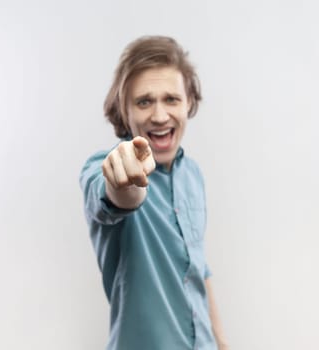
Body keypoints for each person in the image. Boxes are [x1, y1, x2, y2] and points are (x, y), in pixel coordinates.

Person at [80, 35, 228, 350]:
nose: (160, 116)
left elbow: (199, 267)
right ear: (125, 110)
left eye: (171, 99)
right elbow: (118, 195)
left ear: (189, 102)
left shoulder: (193, 175)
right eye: (144, 101)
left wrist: (223, 342)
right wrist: (125, 180)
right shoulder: (103, 168)